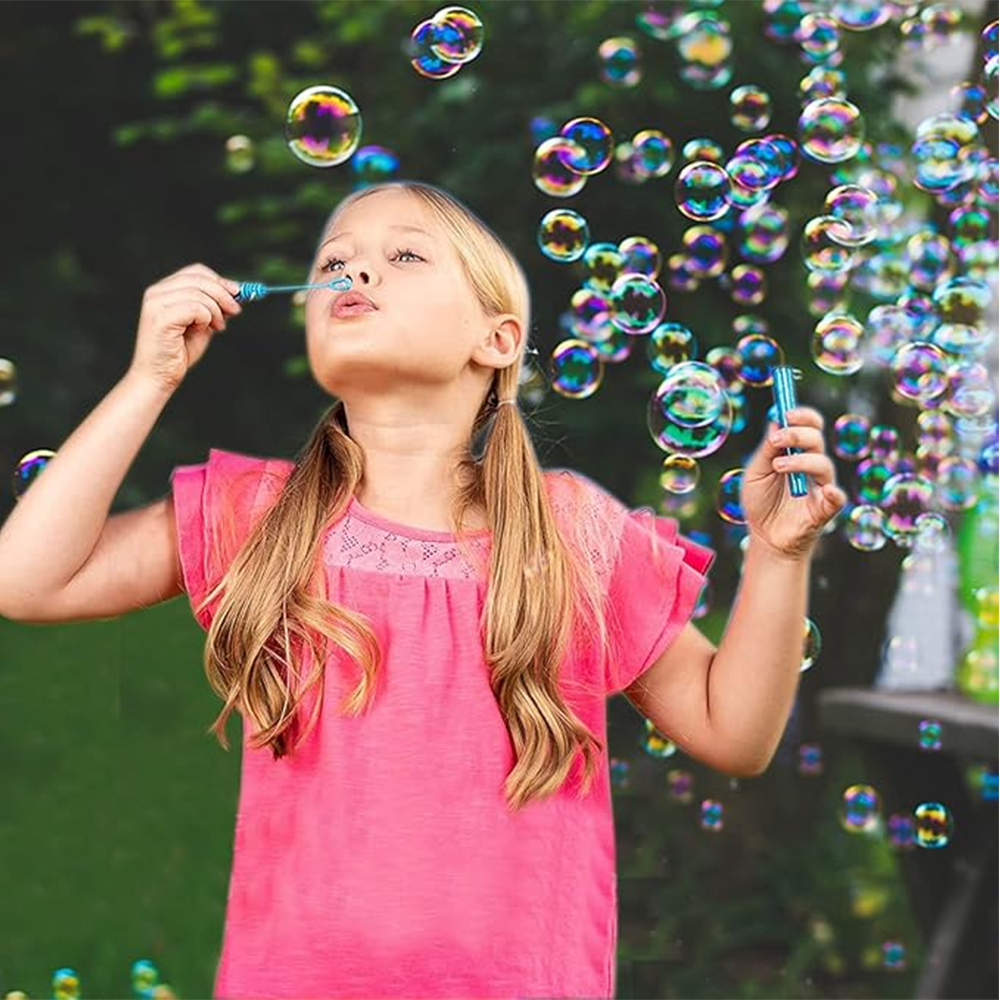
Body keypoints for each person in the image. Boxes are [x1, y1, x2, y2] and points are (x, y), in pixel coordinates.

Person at [0, 180, 847, 999]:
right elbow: (28, 579)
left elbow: (736, 732)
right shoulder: (255, 516)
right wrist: (150, 379)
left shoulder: (572, 535)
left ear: (498, 340)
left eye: (404, 255)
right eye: (336, 261)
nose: (354, 272)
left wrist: (777, 557)